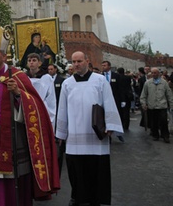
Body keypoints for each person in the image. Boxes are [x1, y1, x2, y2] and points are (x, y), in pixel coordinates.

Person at [0, 21, 59, 205]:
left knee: (12, 187)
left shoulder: (18, 77)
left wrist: (18, 95)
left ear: (4, 55)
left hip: (12, 140)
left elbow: (37, 109)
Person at [56, 51, 123, 206]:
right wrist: (61, 133)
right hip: (74, 137)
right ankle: (78, 198)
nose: (76, 64)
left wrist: (110, 125)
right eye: (74, 61)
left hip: (96, 137)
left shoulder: (100, 81)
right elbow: (62, 109)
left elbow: (109, 102)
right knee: (76, 171)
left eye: (79, 61)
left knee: (96, 171)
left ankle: (96, 200)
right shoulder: (67, 83)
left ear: (87, 61)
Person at [140, 67, 173, 143]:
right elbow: (143, 95)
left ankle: (165, 136)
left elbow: (169, 95)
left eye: (155, 73)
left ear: (158, 73)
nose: (153, 74)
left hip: (162, 105)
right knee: (153, 122)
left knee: (164, 121)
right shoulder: (148, 83)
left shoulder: (164, 83)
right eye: (152, 73)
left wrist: (171, 105)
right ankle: (155, 135)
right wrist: (143, 104)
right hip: (152, 106)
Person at [25, 52, 57, 128]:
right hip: (28, 108)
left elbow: (51, 97)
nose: (31, 62)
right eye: (29, 61)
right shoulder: (25, 77)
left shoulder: (46, 77)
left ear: (39, 63)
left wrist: (50, 115)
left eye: (34, 60)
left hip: (43, 108)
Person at [47, 63, 66, 175]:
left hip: (59, 107)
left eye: (51, 69)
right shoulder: (45, 80)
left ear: (55, 70)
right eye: (48, 69)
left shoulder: (61, 80)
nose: (49, 71)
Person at [101, 61, 126, 142]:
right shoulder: (100, 76)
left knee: (116, 116)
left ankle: (118, 133)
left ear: (109, 66)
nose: (103, 67)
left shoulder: (116, 76)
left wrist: (122, 100)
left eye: (104, 65)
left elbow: (121, 88)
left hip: (115, 99)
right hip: (104, 100)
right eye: (102, 65)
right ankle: (108, 135)